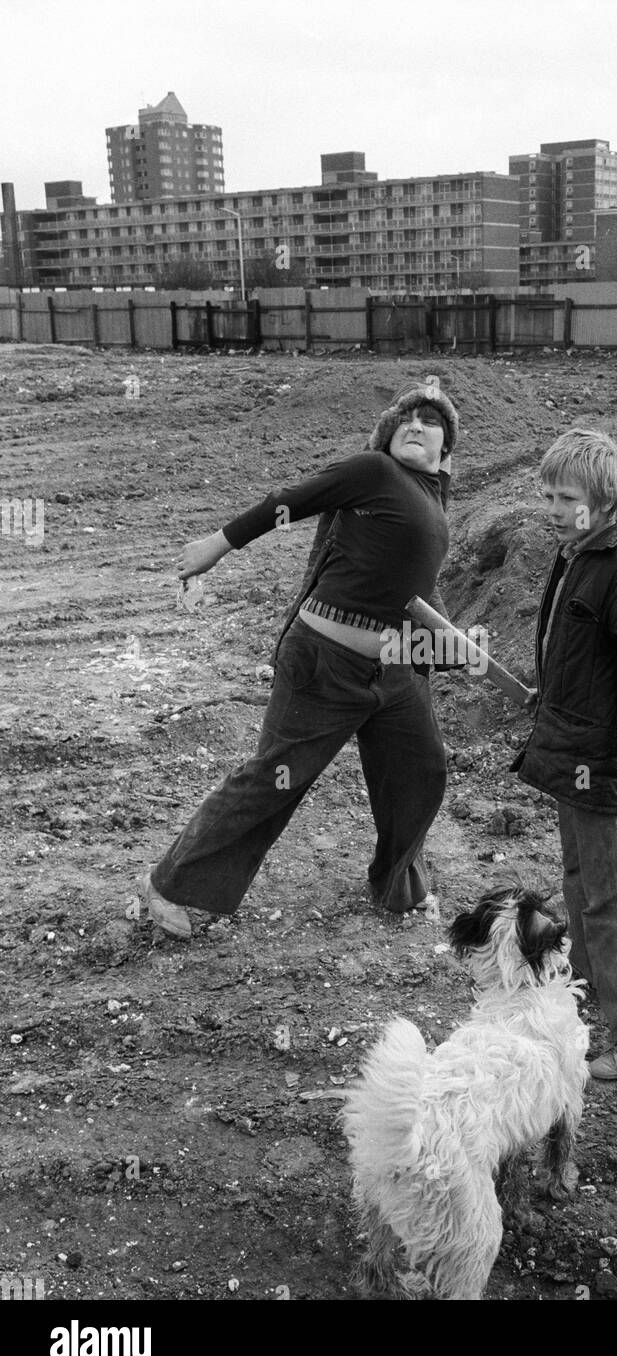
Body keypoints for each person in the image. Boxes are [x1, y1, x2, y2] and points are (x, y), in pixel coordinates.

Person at [140, 377, 460, 939]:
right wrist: (217, 545)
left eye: (431, 422)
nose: (416, 425)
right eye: (405, 420)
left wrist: (451, 640)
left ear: (446, 450)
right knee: (275, 778)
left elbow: (418, 585)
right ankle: (171, 885)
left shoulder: (434, 501)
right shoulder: (374, 472)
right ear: (384, 440)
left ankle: (395, 885)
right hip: (325, 662)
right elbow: (290, 499)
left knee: (420, 772)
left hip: (396, 672)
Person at [511, 427, 617, 1081]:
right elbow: (584, 656)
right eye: (548, 494)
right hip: (568, 748)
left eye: (567, 497)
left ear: (606, 502)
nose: (553, 507)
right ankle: (584, 997)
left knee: (610, 893)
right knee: (580, 883)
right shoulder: (576, 554)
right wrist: (549, 695)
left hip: (602, 759)